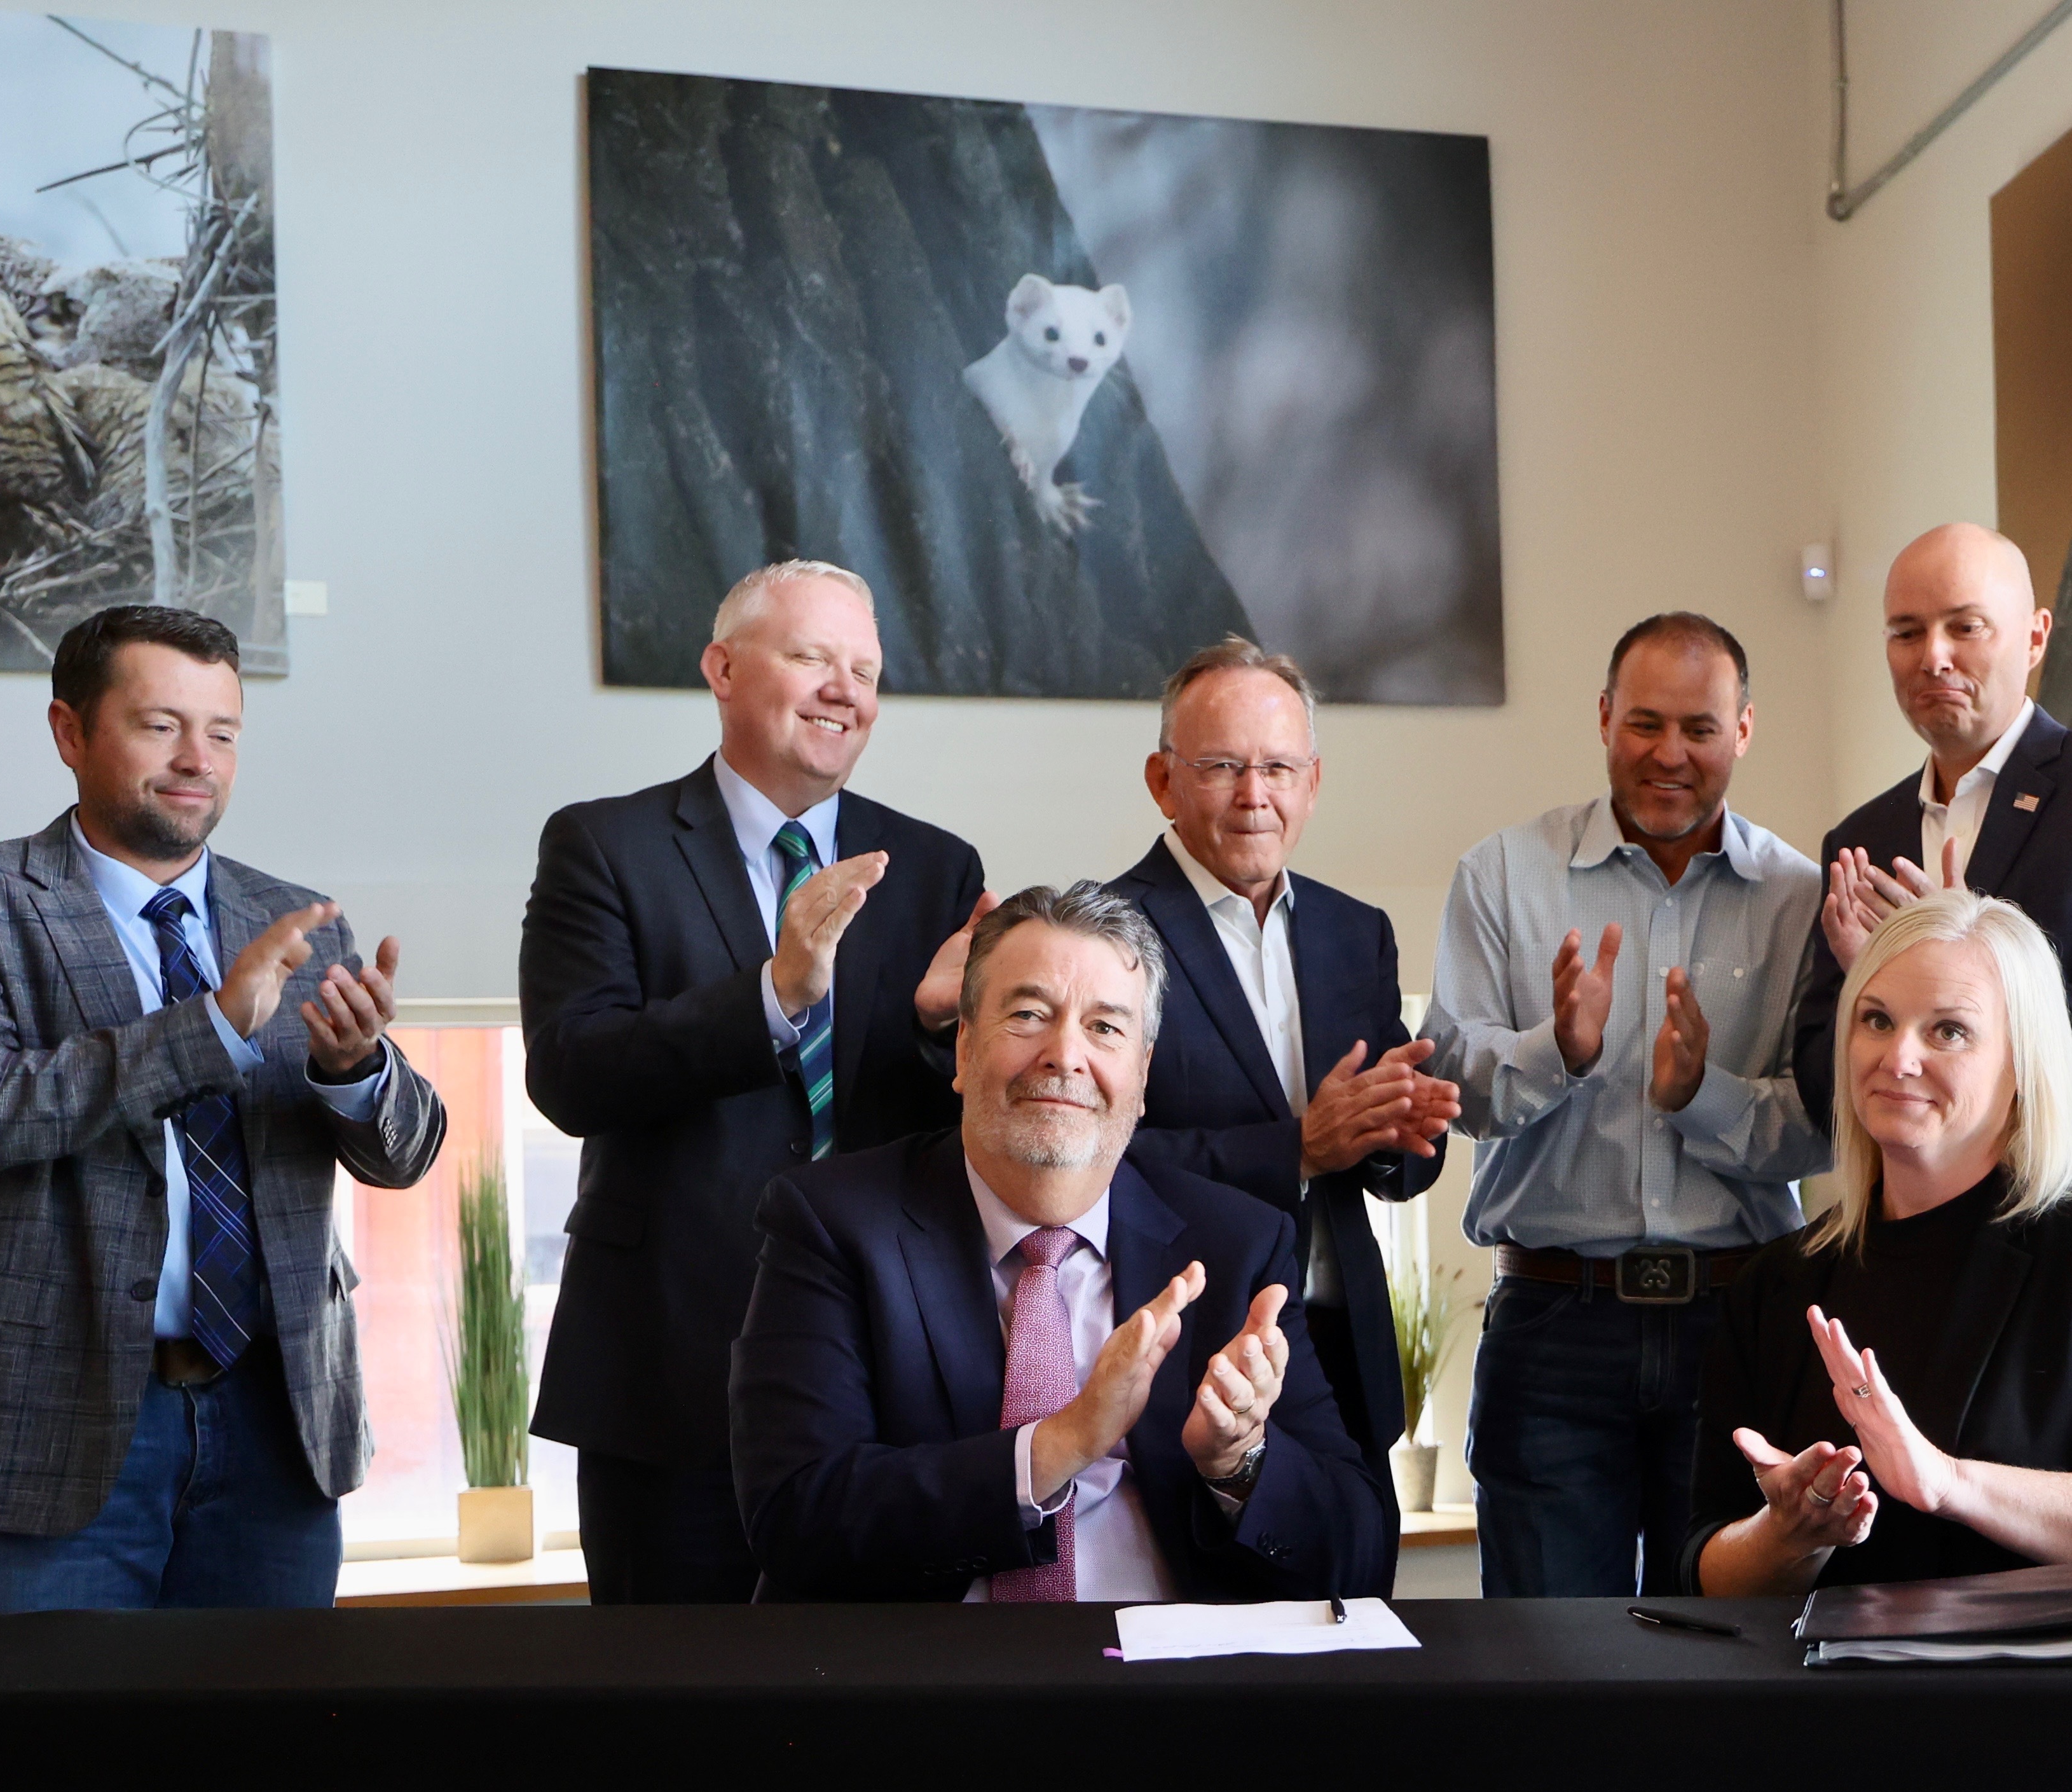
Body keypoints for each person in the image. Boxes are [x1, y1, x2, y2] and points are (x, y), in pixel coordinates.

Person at [0, 604, 447, 1615]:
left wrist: (357, 1071)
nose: (197, 760)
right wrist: (207, 1028)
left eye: (222, 733)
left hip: (278, 1427)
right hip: (43, 1424)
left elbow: (404, 1154)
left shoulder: (297, 917)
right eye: (160, 724)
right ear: (70, 733)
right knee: (34, 1759)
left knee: (256, 1759)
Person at [521, 560, 991, 1604]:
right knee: (675, 1721)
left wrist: (935, 1031)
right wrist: (773, 993)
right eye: (813, 656)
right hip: (671, 1375)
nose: (845, 689)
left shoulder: (932, 866)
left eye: (865, 669)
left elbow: (960, 1135)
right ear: (722, 667)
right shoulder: (605, 845)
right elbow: (570, 1071)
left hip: (885, 1373)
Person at [731, 883, 1390, 1602]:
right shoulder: (833, 1224)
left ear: (1141, 1078)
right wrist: (1061, 1444)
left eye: (1106, 1028)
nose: (1064, 1055)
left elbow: (1358, 1552)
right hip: (933, 1690)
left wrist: (1241, 1460)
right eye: (1028, 1014)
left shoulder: (1236, 1245)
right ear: (963, 1046)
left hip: (1167, 1687)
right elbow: (796, 1520)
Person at [1689, 890, 2072, 1597]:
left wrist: (1951, 1483)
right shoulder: (1778, 1281)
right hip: (1836, 1700)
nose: (1897, 1057)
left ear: (2021, 1065)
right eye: (1876, 1020)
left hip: (2057, 1700)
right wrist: (1787, 1537)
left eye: (1949, 1031)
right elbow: (1703, 1572)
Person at [1424, 612, 1827, 1597]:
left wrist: (1703, 1097)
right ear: (1604, 719)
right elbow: (1450, 1083)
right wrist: (1557, 1051)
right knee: (1553, 1672)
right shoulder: (1502, 876)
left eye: (1699, 729)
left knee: (1734, 1661)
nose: (1669, 756)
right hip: (1555, 1323)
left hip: (1738, 1320)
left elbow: (1820, 1125)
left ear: (1743, 731)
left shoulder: (1800, 898)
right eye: (1645, 724)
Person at [1791, 522, 2072, 1288]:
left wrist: (1978, 970)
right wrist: (1871, 996)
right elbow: (1826, 1097)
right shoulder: (1862, 836)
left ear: (2034, 636)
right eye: (1906, 631)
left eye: (1966, 626)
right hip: (1916, 1261)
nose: (1934, 656)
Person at [1106, 637, 1457, 1531]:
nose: (1254, 795)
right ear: (1162, 780)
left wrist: (1406, 1130)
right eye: (1222, 767)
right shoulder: (1104, 936)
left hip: (1342, 1346)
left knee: (1360, 1612)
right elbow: (1098, 1160)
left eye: (1278, 767)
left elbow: (1398, 1165)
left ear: (1313, 781)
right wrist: (1295, 1148)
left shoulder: (1354, 933)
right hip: (1192, 1349)